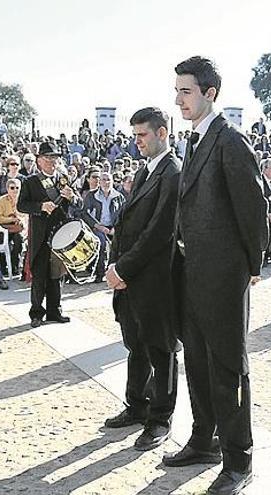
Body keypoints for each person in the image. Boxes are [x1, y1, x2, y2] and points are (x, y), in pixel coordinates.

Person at [166, 56, 268, 495]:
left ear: (210, 93)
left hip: (223, 276)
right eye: (177, 90)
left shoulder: (230, 141)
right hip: (191, 272)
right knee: (197, 364)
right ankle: (204, 440)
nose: (177, 99)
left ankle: (238, 459)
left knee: (227, 367)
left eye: (185, 91)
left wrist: (250, 268)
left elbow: (254, 208)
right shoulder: (194, 140)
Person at [102, 107, 181, 452]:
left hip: (156, 280)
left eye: (143, 135)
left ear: (162, 133)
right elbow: (127, 224)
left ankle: (160, 418)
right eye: (135, 136)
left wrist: (123, 268)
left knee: (160, 351)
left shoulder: (173, 172)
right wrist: (115, 263)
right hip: (132, 279)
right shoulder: (145, 170)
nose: (137, 142)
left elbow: (159, 231)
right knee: (136, 345)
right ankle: (136, 405)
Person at [16, 141, 77, 328]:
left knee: (57, 275)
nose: (52, 161)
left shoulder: (63, 179)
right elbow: (21, 205)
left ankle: (55, 311)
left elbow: (78, 204)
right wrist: (41, 206)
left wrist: (72, 197)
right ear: (39, 160)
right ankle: (36, 313)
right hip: (41, 234)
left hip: (60, 233)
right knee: (40, 275)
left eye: (54, 158)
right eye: (48, 158)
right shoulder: (31, 182)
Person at [80, 171, 125, 282]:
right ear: (99, 182)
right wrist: (97, 226)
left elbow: (124, 214)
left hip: (113, 227)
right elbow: (84, 214)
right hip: (97, 227)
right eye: (103, 180)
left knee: (120, 243)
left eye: (109, 179)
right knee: (101, 242)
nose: (106, 182)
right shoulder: (91, 196)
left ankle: (116, 273)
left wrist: (116, 228)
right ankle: (100, 273)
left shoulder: (119, 197)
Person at [0, 178, 27, 275]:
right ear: (7, 189)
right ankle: (3, 268)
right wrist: (11, 219)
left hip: (19, 228)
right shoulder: (2, 200)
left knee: (19, 240)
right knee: (2, 240)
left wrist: (19, 218)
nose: (15, 190)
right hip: (5, 227)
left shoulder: (23, 200)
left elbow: (26, 216)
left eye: (17, 188)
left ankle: (14, 267)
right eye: (12, 188)